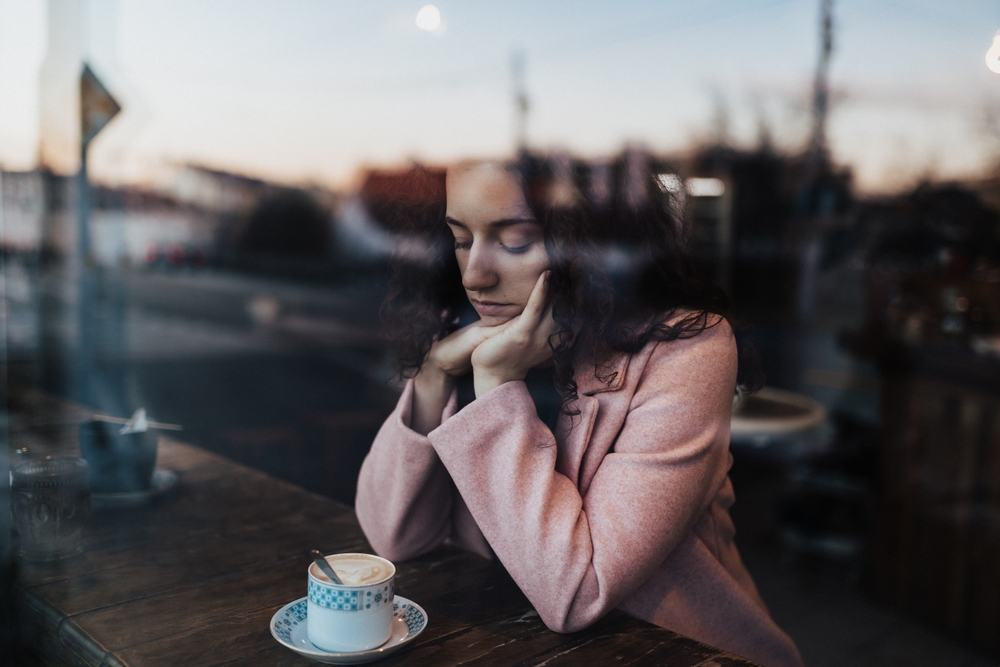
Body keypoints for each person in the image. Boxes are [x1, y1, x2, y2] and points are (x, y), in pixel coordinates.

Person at [355, 155, 803, 667]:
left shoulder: (687, 349)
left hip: (674, 652)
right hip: (506, 641)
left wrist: (497, 385)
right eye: (460, 239)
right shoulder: (463, 331)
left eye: (515, 241)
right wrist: (433, 374)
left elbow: (577, 593)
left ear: (593, 242)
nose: (475, 275)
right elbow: (392, 536)